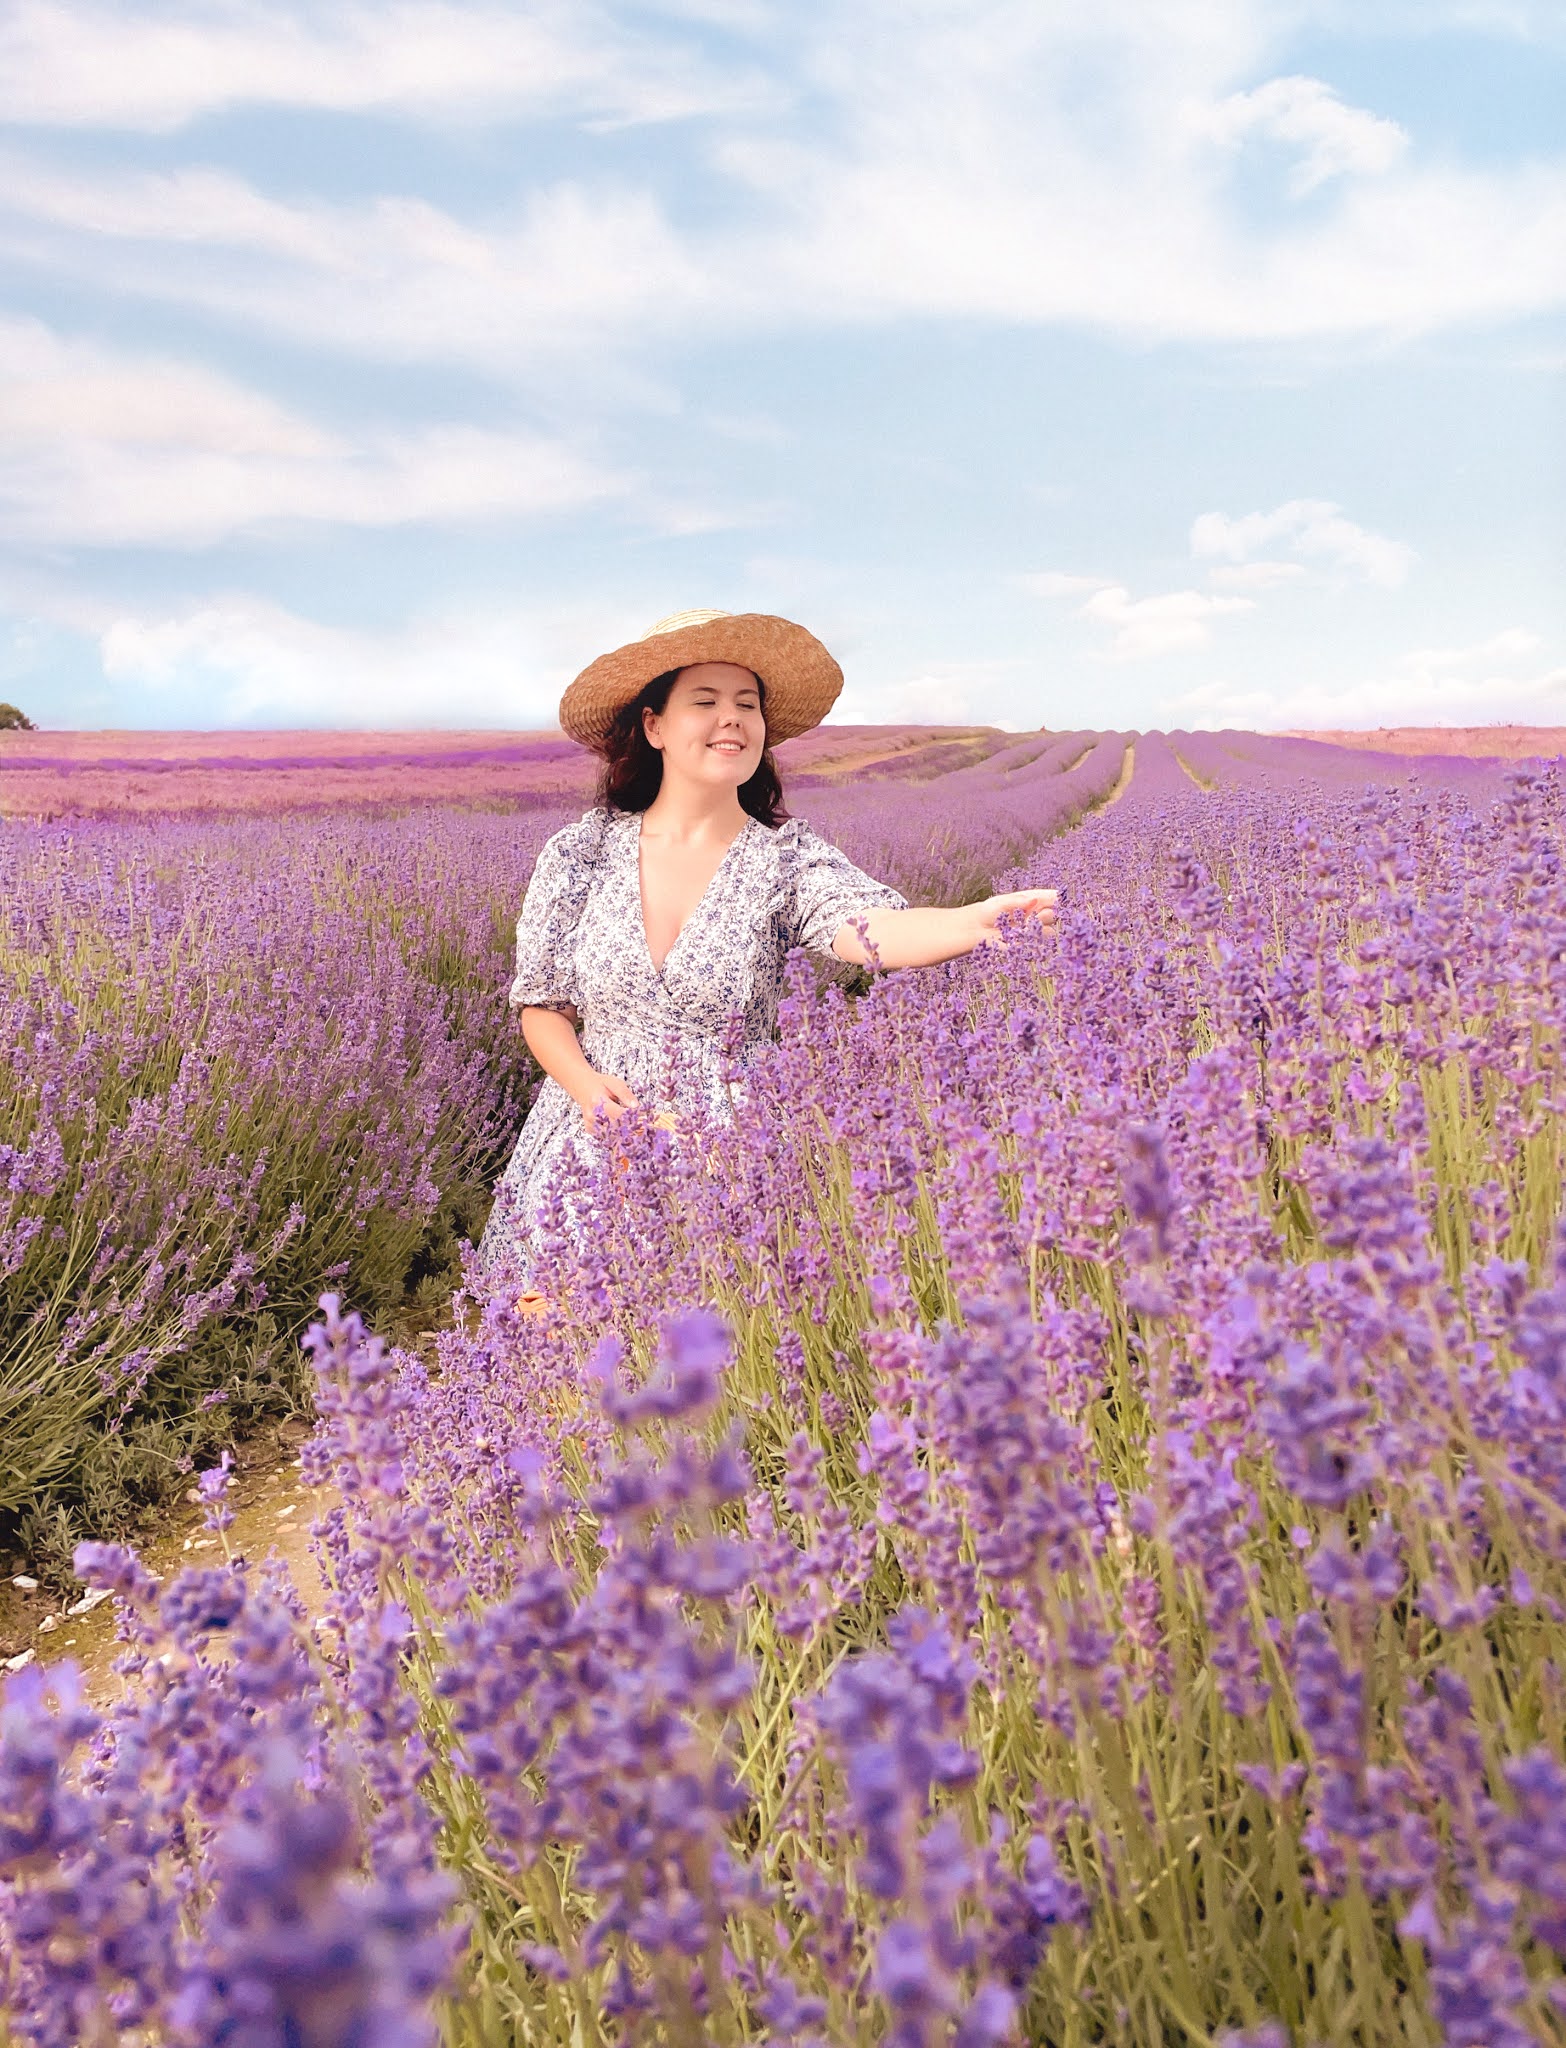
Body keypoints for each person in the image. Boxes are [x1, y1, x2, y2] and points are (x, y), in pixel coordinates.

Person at [477, 608, 1056, 1296]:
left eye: (747, 705)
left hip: (725, 1146)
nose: (732, 719)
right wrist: (589, 1093)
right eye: (706, 701)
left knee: (706, 1362)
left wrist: (973, 923)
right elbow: (541, 1005)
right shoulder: (580, 853)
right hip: (590, 1140)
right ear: (654, 726)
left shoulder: (784, 858)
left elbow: (866, 928)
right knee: (554, 1357)